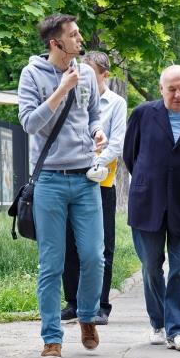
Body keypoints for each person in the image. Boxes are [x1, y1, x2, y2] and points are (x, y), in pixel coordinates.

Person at [16, 14, 107, 358]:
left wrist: (96, 132)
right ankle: (51, 337)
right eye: (73, 35)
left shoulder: (85, 73)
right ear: (56, 43)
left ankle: (87, 316)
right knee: (51, 263)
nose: (80, 38)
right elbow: (29, 123)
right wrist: (60, 90)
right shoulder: (31, 75)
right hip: (50, 180)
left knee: (93, 257)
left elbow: (93, 114)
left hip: (85, 178)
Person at [124, 65, 180, 352]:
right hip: (147, 201)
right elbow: (131, 155)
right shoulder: (142, 114)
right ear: (161, 88)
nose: (178, 94)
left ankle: (178, 330)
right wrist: (149, 179)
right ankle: (158, 321)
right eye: (172, 89)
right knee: (151, 266)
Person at [61, 51, 127, 325]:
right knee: (69, 243)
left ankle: (101, 303)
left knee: (101, 246)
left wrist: (94, 162)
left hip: (101, 180)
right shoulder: (74, 97)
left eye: (90, 72)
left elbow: (117, 142)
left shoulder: (115, 103)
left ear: (104, 75)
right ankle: (73, 301)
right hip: (72, 178)